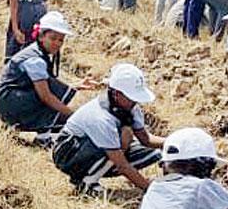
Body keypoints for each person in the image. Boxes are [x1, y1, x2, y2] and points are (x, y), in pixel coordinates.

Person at [52, 63, 163, 194]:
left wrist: (174, 141)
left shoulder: (131, 108)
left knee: (156, 152)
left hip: (104, 150)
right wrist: (149, 188)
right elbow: (122, 165)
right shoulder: (101, 118)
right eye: (131, 97)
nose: (135, 102)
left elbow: (146, 139)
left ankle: (95, 172)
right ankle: (87, 182)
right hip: (69, 153)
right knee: (124, 136)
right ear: (116, 93)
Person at [0, 12, 91, 140]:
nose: (57, 43)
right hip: (11, 103)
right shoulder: (35, 60)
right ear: (41, 37)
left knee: (55, 91)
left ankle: (41, 129)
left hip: (10, 100)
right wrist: (73, 115)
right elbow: (46, 96)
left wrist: (77, 86)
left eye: (60, 40)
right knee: (54, 93)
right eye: (53, 38)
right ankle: (44, 134)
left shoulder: (37, 52)